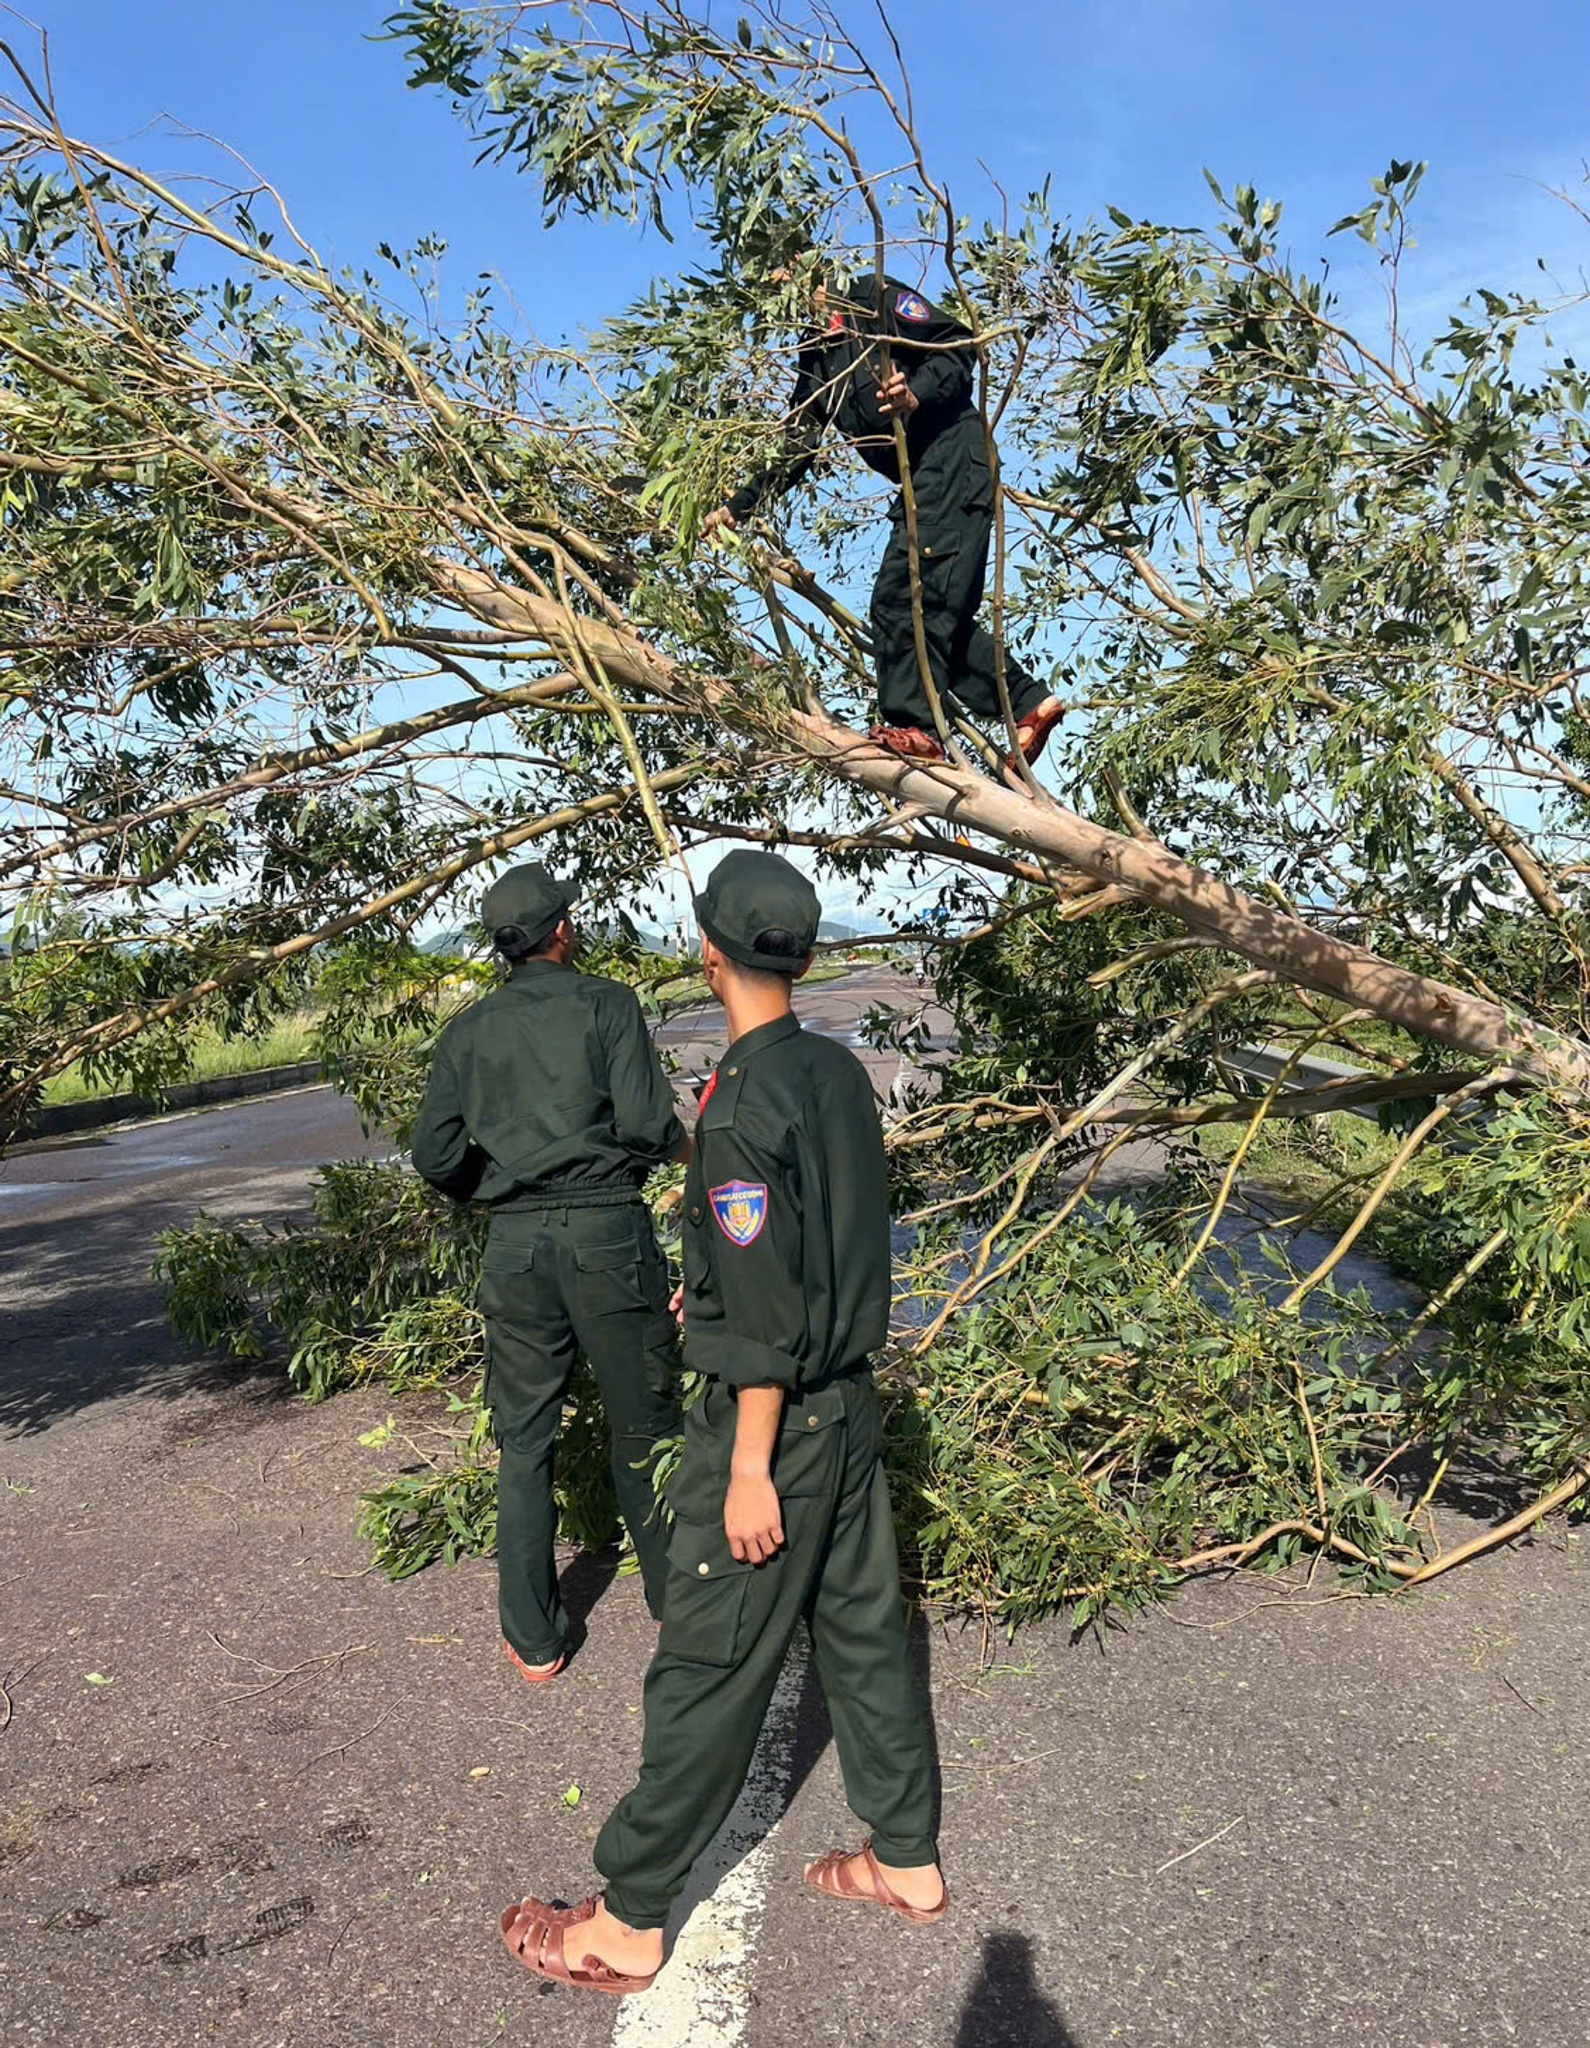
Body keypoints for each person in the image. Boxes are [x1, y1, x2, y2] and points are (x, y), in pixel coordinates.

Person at [497, 849, 946, 1996]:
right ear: (803, 953)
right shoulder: (835, 1069)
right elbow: (800, 1246)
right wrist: (724, 1280)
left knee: (706, 1660)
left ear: (709, 951)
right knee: (859, 1629)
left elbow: (761, 1317)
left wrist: (747, 1462)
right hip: (848, 1405)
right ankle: (905, 1858)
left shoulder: (740, 1106)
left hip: (779, 1426)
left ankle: (630, 1918)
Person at [411, 862, 688, 1683]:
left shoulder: (466, 1032)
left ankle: (534, 1641)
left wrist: (491, 1188)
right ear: (562, 930)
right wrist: (693, 1155)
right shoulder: (607, 1004)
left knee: (524, 1441)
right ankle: (680, 1609)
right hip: (607, 1233)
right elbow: (644, 1123)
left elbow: (432, 1153)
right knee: (646, 1428)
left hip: (516, 1248)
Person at [704, 262, 1064, 769]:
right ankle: (1027, 704)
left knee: (903, 599)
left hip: (952, 461)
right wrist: (737, 507)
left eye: (780, 274)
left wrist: (915, 393)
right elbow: (799, 443)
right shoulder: (817, 356)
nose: (776, 290)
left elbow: (958, 348)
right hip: (925, 478)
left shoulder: (872, 298)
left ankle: (916, 728)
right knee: (938, 613)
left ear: (808, 268)